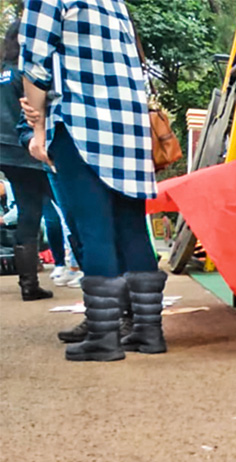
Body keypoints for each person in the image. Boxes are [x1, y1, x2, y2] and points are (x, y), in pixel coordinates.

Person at [21, 0, 165, 361]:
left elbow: (35, 63)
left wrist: (37, 130)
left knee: (93, 228)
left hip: (81, 121)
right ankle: (149, 332)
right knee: (131, 226)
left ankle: (104, 336)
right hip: (129, 128)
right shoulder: (113, 3)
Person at [1, 21, 52, 301]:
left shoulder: (3, 72)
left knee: (28, 213)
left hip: (5, 154)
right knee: (66, 208)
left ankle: (28, 284)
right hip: (29, 148)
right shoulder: (26, 73)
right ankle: (91, 274)